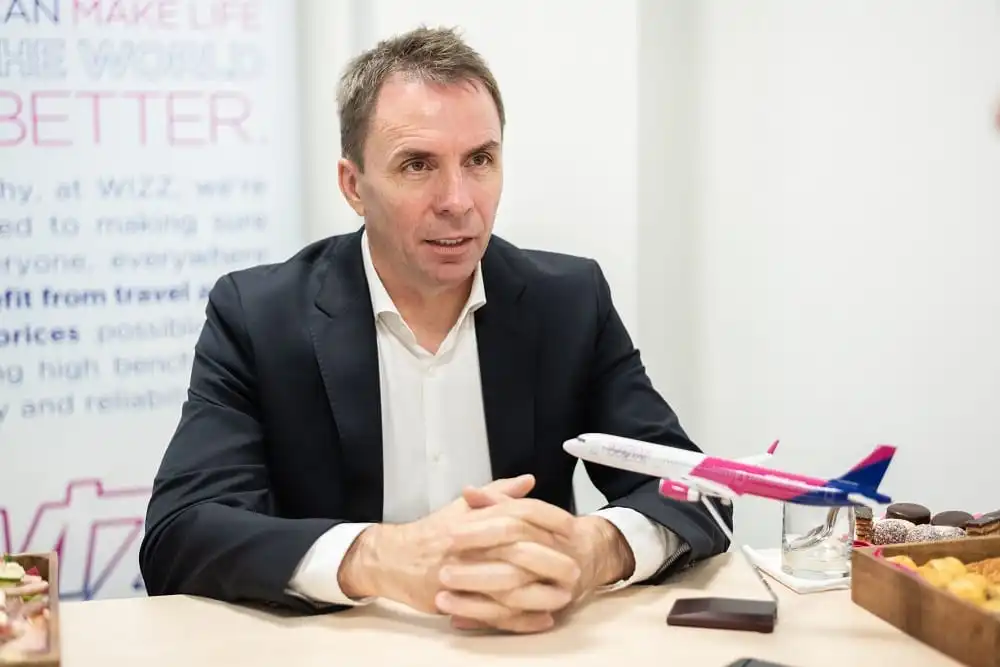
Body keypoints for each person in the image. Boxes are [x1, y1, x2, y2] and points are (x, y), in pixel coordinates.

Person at [138, 25, 732, 634]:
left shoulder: (567, 302)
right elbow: (180, 534)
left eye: (480, 160)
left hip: (529, 646)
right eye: (417, 165)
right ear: (353, 186)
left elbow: (702, 493)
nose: (458, 200)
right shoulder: (259, 315)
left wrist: (591, 551)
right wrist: (381, 558)